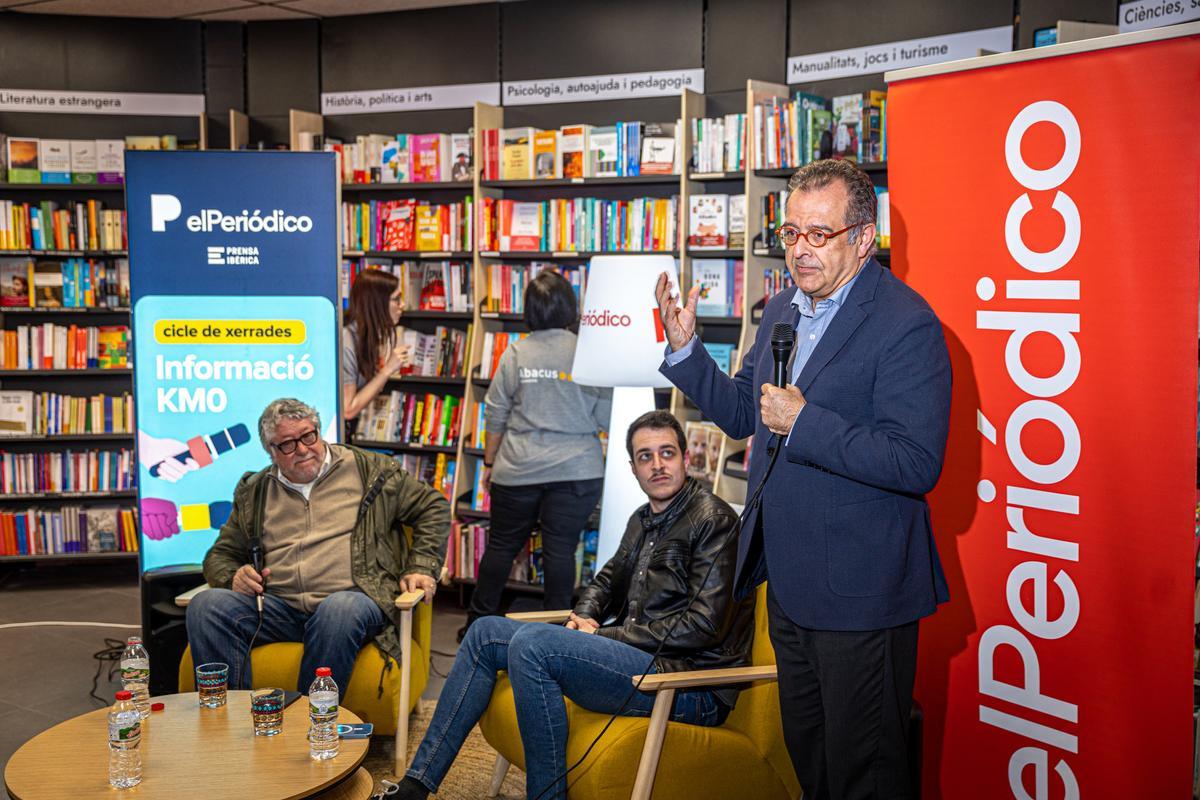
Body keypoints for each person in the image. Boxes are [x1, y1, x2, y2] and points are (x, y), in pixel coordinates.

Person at [656, 159, 952, 800]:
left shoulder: (908, 323)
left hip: (862, 592)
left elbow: (915, 461)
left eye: (819, 235)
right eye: (791, 234)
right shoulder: (784, 306)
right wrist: (687, 350)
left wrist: (807, 422)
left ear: (863, 238)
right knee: (811, 761)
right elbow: (744, 412)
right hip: (789, 582)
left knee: (864, 775)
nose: (800, 251)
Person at [393, 410, 754, 800]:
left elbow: (703, 626)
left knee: (534, 645)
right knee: (484, 632)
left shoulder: (713, 521)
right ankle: (417, 783)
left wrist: (606, 637)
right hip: (640, 662)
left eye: (667, 453)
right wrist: (584, 615)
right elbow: (607, 580)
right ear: (633, 468)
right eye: (645, 457)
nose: (658, 465)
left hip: (686, 684)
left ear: (686, 457)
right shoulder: (643, 519)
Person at [185, 397, 450, 698]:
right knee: (206, 607)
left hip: (353, 602)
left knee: (339, 608)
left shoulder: (370, 470)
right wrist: (233, 576)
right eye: (287, 444)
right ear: (271, 451)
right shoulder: (256, 490)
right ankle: (229, 725)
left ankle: (310, 724)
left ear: (319, 431)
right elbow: (220, 555)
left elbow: (433, 507)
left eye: (309, 435)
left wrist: (421, 564)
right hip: (279, 609)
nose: (302, 449)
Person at [464, 270, 611, 637]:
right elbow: (605, 416)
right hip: (577, 470)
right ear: (570, 308)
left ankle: (475, 625)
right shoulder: (589, 355)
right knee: (561, 552)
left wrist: (489, 462)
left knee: (500, 547)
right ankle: (556, 634)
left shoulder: (516, 353)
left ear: (529, 309)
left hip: (517, 467)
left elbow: (495, 412)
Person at [342, 268, 411, 426]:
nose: (402, 304)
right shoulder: (347, 339)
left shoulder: (367, 336)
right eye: (396, 299)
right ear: (377, 303)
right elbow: (348, 409)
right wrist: (387, 370)